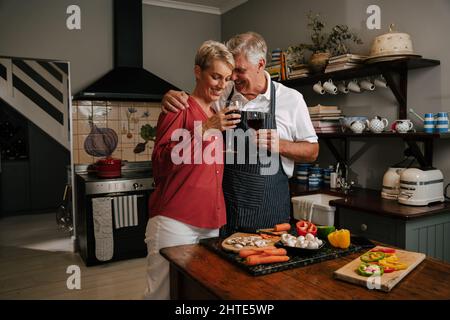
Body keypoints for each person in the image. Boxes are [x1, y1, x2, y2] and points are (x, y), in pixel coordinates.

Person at [162, 31, 319, 236]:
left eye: (239, 70)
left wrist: (281, 145)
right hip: (227, 211)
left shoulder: (291, 99)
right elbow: (194, 105)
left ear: (261, 65)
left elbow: (313, 151)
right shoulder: (223, 94)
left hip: (270, 212)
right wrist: (171, 96)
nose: (232, 78)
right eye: (230, 72)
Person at [144, 40, 240, 299]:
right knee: (162, 294)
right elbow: (161, 162)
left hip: (210, 222)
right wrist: (205, 128)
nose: (221, 85)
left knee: (196, 294)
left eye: (227, 79)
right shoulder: (179, 107)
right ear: (198, 72)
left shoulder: (218, 110)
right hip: (175, 221)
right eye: (215, 76)